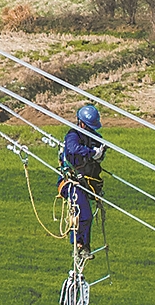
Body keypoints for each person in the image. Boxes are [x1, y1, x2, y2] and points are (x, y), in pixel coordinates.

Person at [59, 104, 105, 260]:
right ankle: (79, 246)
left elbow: (100, 144)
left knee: (85, 216)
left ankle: (84, 246)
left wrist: (100, 152)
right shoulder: (73, 136)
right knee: (84, 215)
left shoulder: (93, 137)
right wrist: (91, 153)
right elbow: (73, 149)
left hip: (87, 182)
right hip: (72, 182)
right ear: (82, 124)